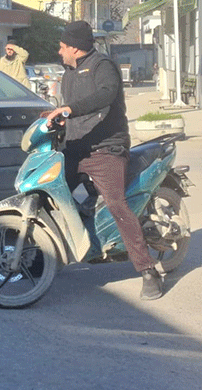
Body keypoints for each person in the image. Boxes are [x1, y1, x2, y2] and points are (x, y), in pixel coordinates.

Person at [45, 20, 163, 300]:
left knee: (115, 203)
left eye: (62, 46)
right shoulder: (69, 72)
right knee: (51, 195)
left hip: (105, 149)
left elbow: (105, 95)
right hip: (76, 148)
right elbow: (68, 113)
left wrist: (70, 109)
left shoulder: (102, 66)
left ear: (74, 47)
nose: (59, 51)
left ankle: (148, 270)